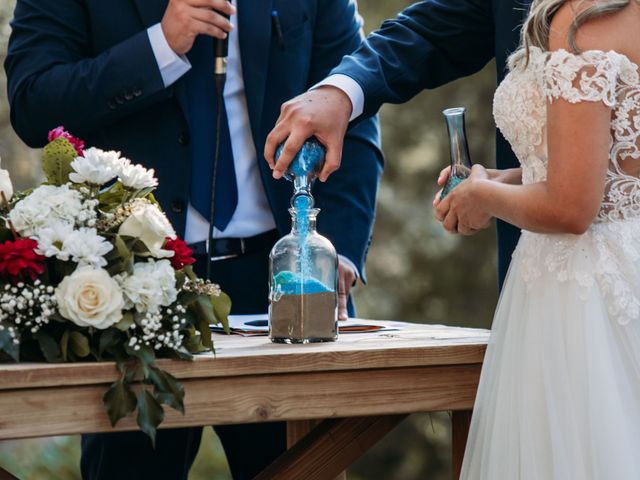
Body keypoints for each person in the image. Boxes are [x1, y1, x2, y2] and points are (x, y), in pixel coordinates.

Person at [4, 0, 382, 478]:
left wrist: (341, 249)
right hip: (132, 288)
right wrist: (160, 45)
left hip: (281, 279)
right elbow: (33, 103)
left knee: (308, 464)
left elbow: (352, 107)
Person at [436, 1, 640, 476]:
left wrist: (480, 195)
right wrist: (497, 184)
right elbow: (608, 175)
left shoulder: (583, 16)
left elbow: (571, 207)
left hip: (580, 295)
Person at [264, 0, 531, 285]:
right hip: (527, 270)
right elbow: (430, 31)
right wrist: (341, 92)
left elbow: (576, 194)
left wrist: (490, 193)